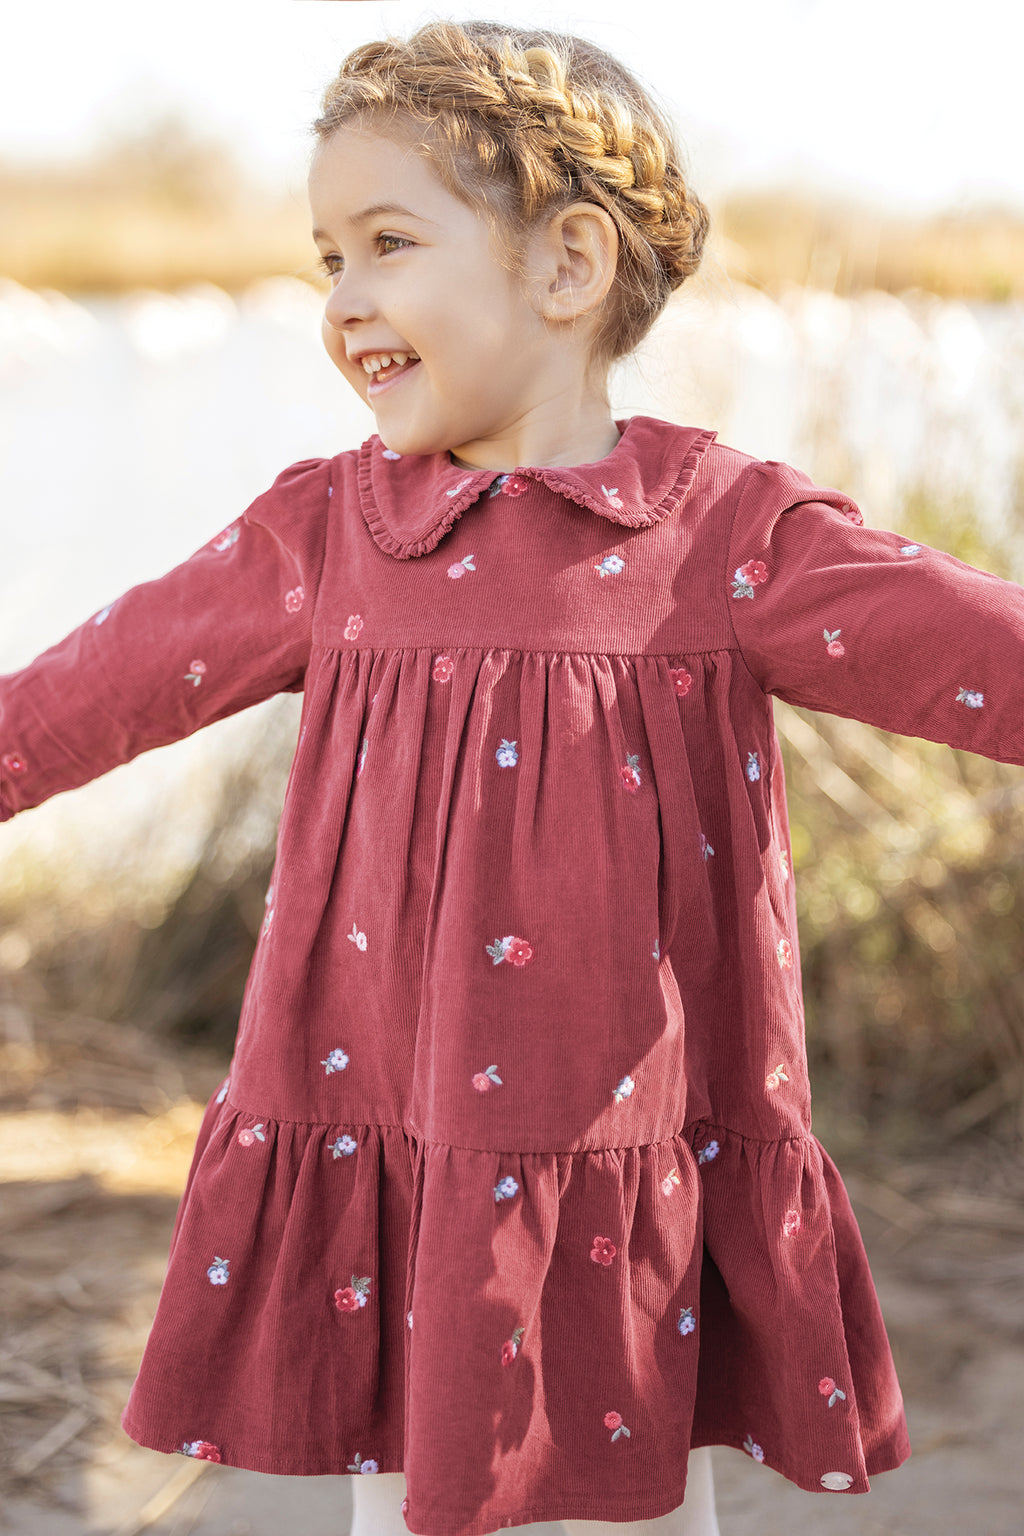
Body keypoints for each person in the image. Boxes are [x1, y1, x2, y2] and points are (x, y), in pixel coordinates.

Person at [3, 15, 1021, 1536]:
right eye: (324, 260)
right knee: (408, 1506)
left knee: (638, 1509)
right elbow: (88, 693)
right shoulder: (330, 532)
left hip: (625, 1158)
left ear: (568, 264)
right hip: (395, 1146)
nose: (343, 302)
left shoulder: (723, 530)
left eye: (387, 243)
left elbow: (973, 648)